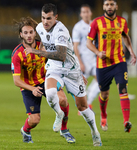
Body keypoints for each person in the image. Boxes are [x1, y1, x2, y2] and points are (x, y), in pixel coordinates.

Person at [25, 3, 102, 146]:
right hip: (54, 68)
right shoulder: (39, 28)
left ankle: (95, 132)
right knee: (50, 91)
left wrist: (37, 52)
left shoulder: (61, 31)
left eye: (49, 18)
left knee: (82, 107)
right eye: (43, 18)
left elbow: (61, 55)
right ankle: (59, 114)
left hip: (71, 70)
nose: (45, 22)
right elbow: (43, 42)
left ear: (56, 17)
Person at [11, 17, 75, 143]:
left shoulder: (44, 46)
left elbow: (59, 60)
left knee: (63, 100)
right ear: (21, 34)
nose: (29, 35)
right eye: (25, 33)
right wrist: (32, 89)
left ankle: (64, 129)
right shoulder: (17, 54)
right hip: (28, 86)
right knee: (35, 120)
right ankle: (25, 130)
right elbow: (16, 81)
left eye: (31, 32)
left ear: (35, 32)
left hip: (45, 80)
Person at [87, 0, 136, 133]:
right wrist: (97, 52)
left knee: (123, 89)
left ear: (116, 6)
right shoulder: (96, 22)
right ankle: (103, 116)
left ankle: (126, 122)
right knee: (104, 93)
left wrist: (131, 50)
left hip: (119, 61)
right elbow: (88, 42)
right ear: (103, 6)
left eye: (112, 4)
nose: (109, 7)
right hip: (103, 64)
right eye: (107, 4)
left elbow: (125, 36)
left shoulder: (122, 21)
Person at [72, 4, 100, 114]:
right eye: (83, 12)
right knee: (80, 84)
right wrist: (80, 61)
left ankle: (88, 102)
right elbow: (75, 46)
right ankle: (82, 106)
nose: (86, 14)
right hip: (83, 59)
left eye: (87, 12)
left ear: (90, 13)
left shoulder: (95, 24)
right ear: (81, 14)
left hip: (93, 58)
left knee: (100, 81)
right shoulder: (78, 27)